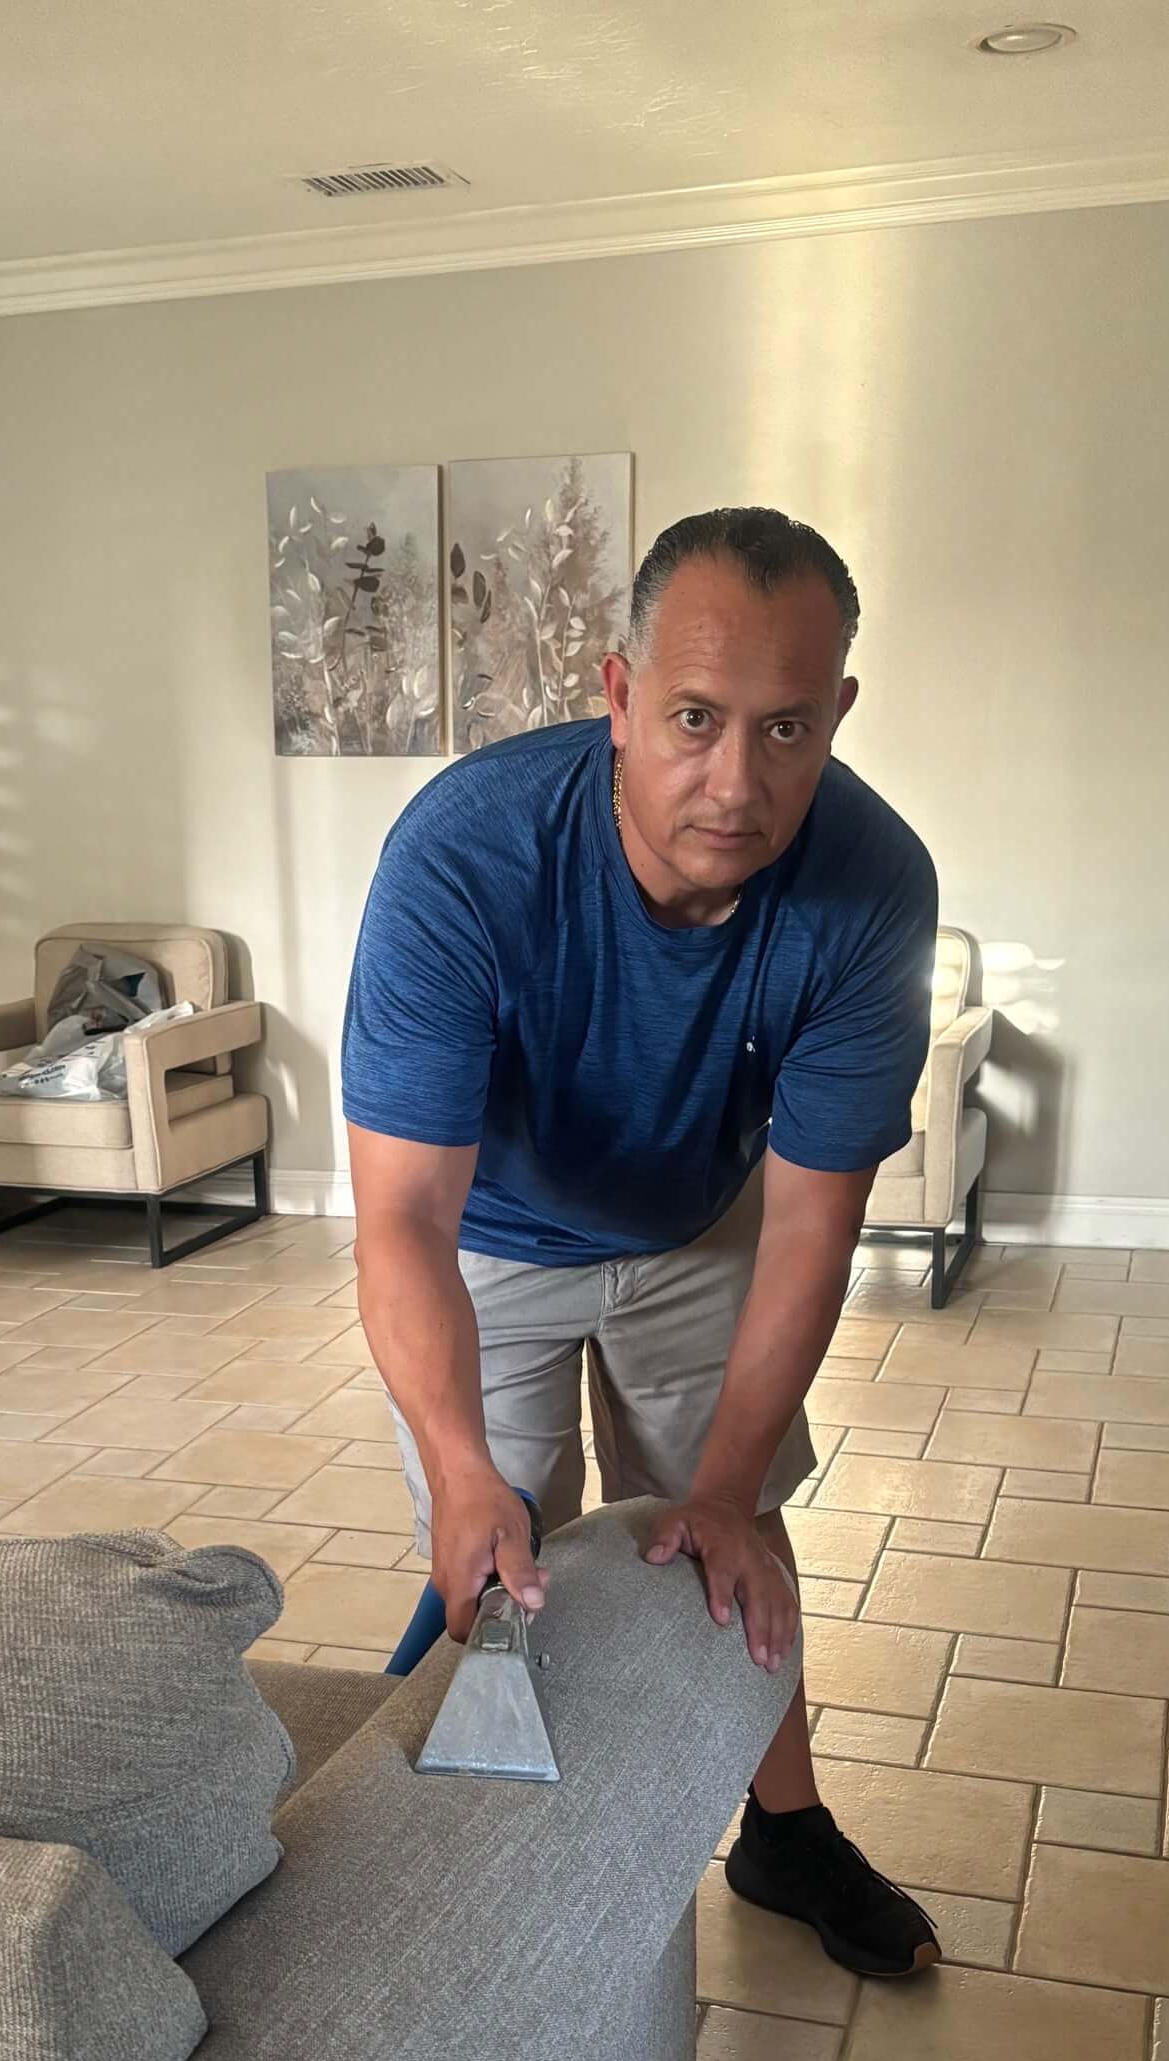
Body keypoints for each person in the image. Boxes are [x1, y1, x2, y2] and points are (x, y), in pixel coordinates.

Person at [341, 506, 941, 1977]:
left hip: (700, 1221)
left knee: (728, 1534)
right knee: (493, 1551)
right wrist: (460, 1466)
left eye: (786, 729)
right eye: (692, 718)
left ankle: (784, 1831)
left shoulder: (870, 889)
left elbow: (813, 1216)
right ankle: (472, 1851)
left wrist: (724, 1488)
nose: (735, 782)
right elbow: (401, 1214)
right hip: (487, 1230)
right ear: (615, 695)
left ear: (837, 714)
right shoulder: (465, 857)